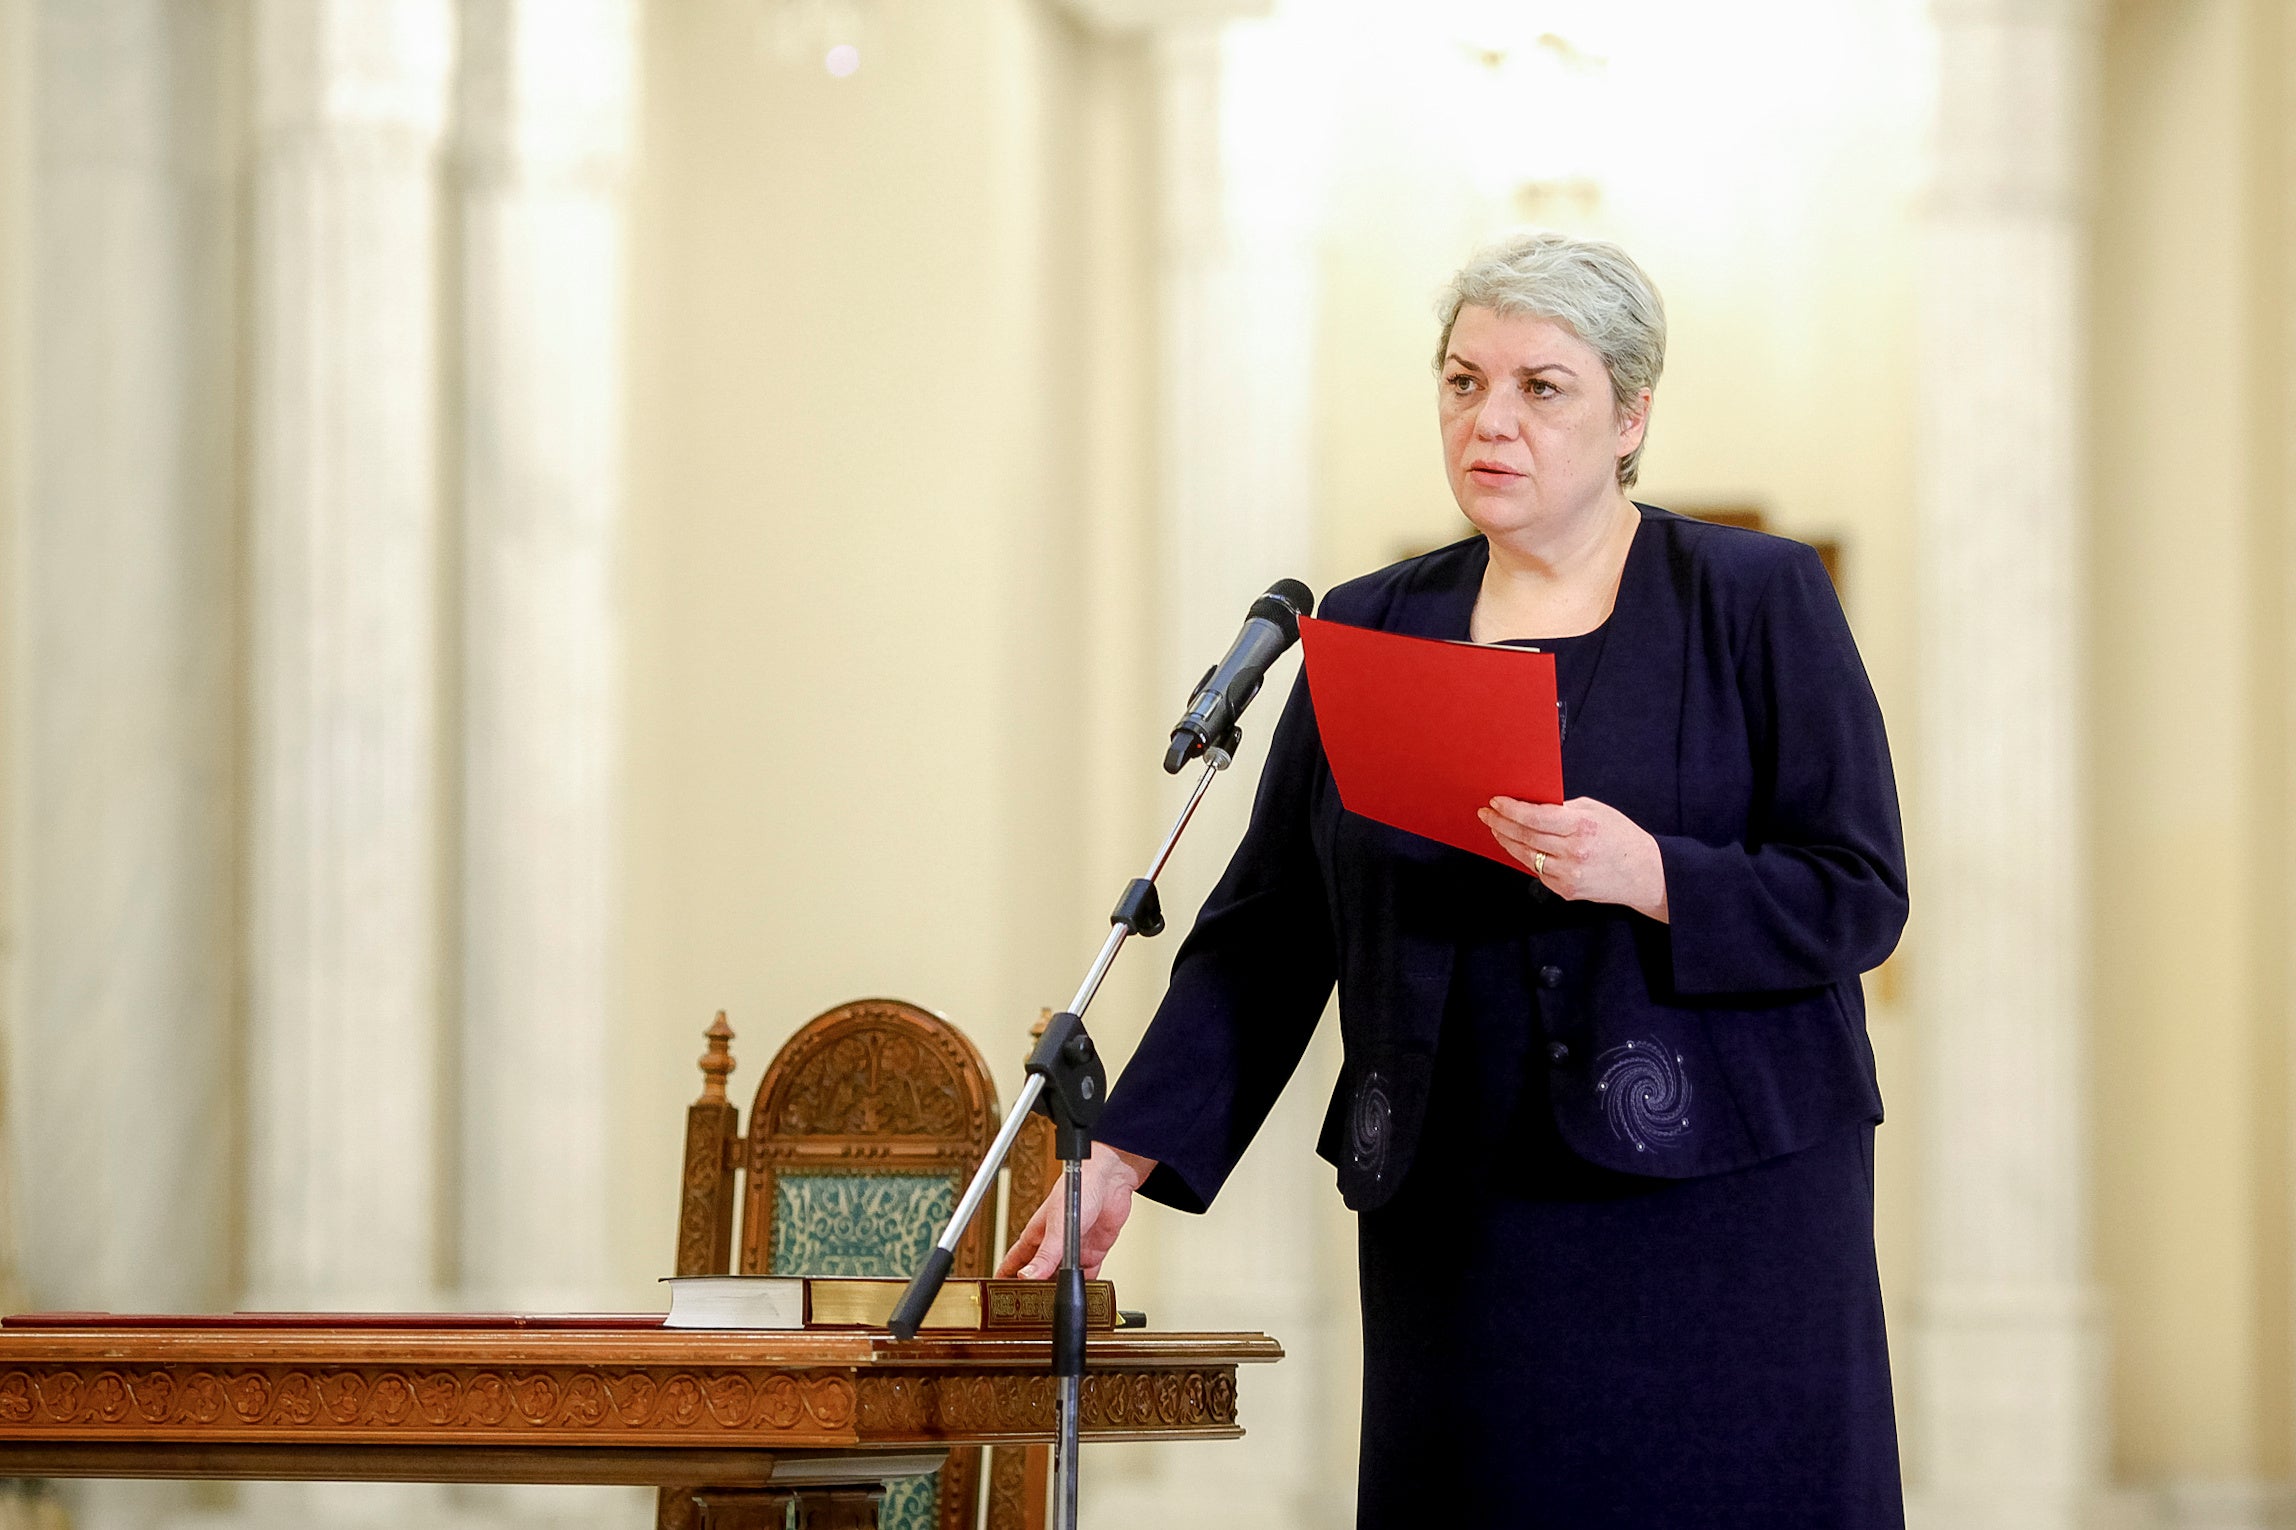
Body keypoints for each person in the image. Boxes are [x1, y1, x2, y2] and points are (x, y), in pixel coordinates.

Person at [1000, 230, 1908, 1528]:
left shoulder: (1752, 598)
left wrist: (1651, 870)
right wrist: (1125, 1153)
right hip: (1465, 1203)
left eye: (1543, 388)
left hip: (1730, 1209)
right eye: (1463, 380)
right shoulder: (1373, 624)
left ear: (1630, 413)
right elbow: (1268, 929)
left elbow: (1858, 888)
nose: (1492, 419)